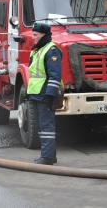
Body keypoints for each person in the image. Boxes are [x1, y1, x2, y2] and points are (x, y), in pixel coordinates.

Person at [27, 22, 62, 165]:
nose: (33, 37)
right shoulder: (36, 50)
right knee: (42, 127)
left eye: (35, 35)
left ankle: (47, 157)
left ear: (43, 35)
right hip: (36, 94)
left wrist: (50, 95)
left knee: (47, 126)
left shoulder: (51, 50)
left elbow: (55, 76)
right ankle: (47, 155)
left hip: (44, 95)